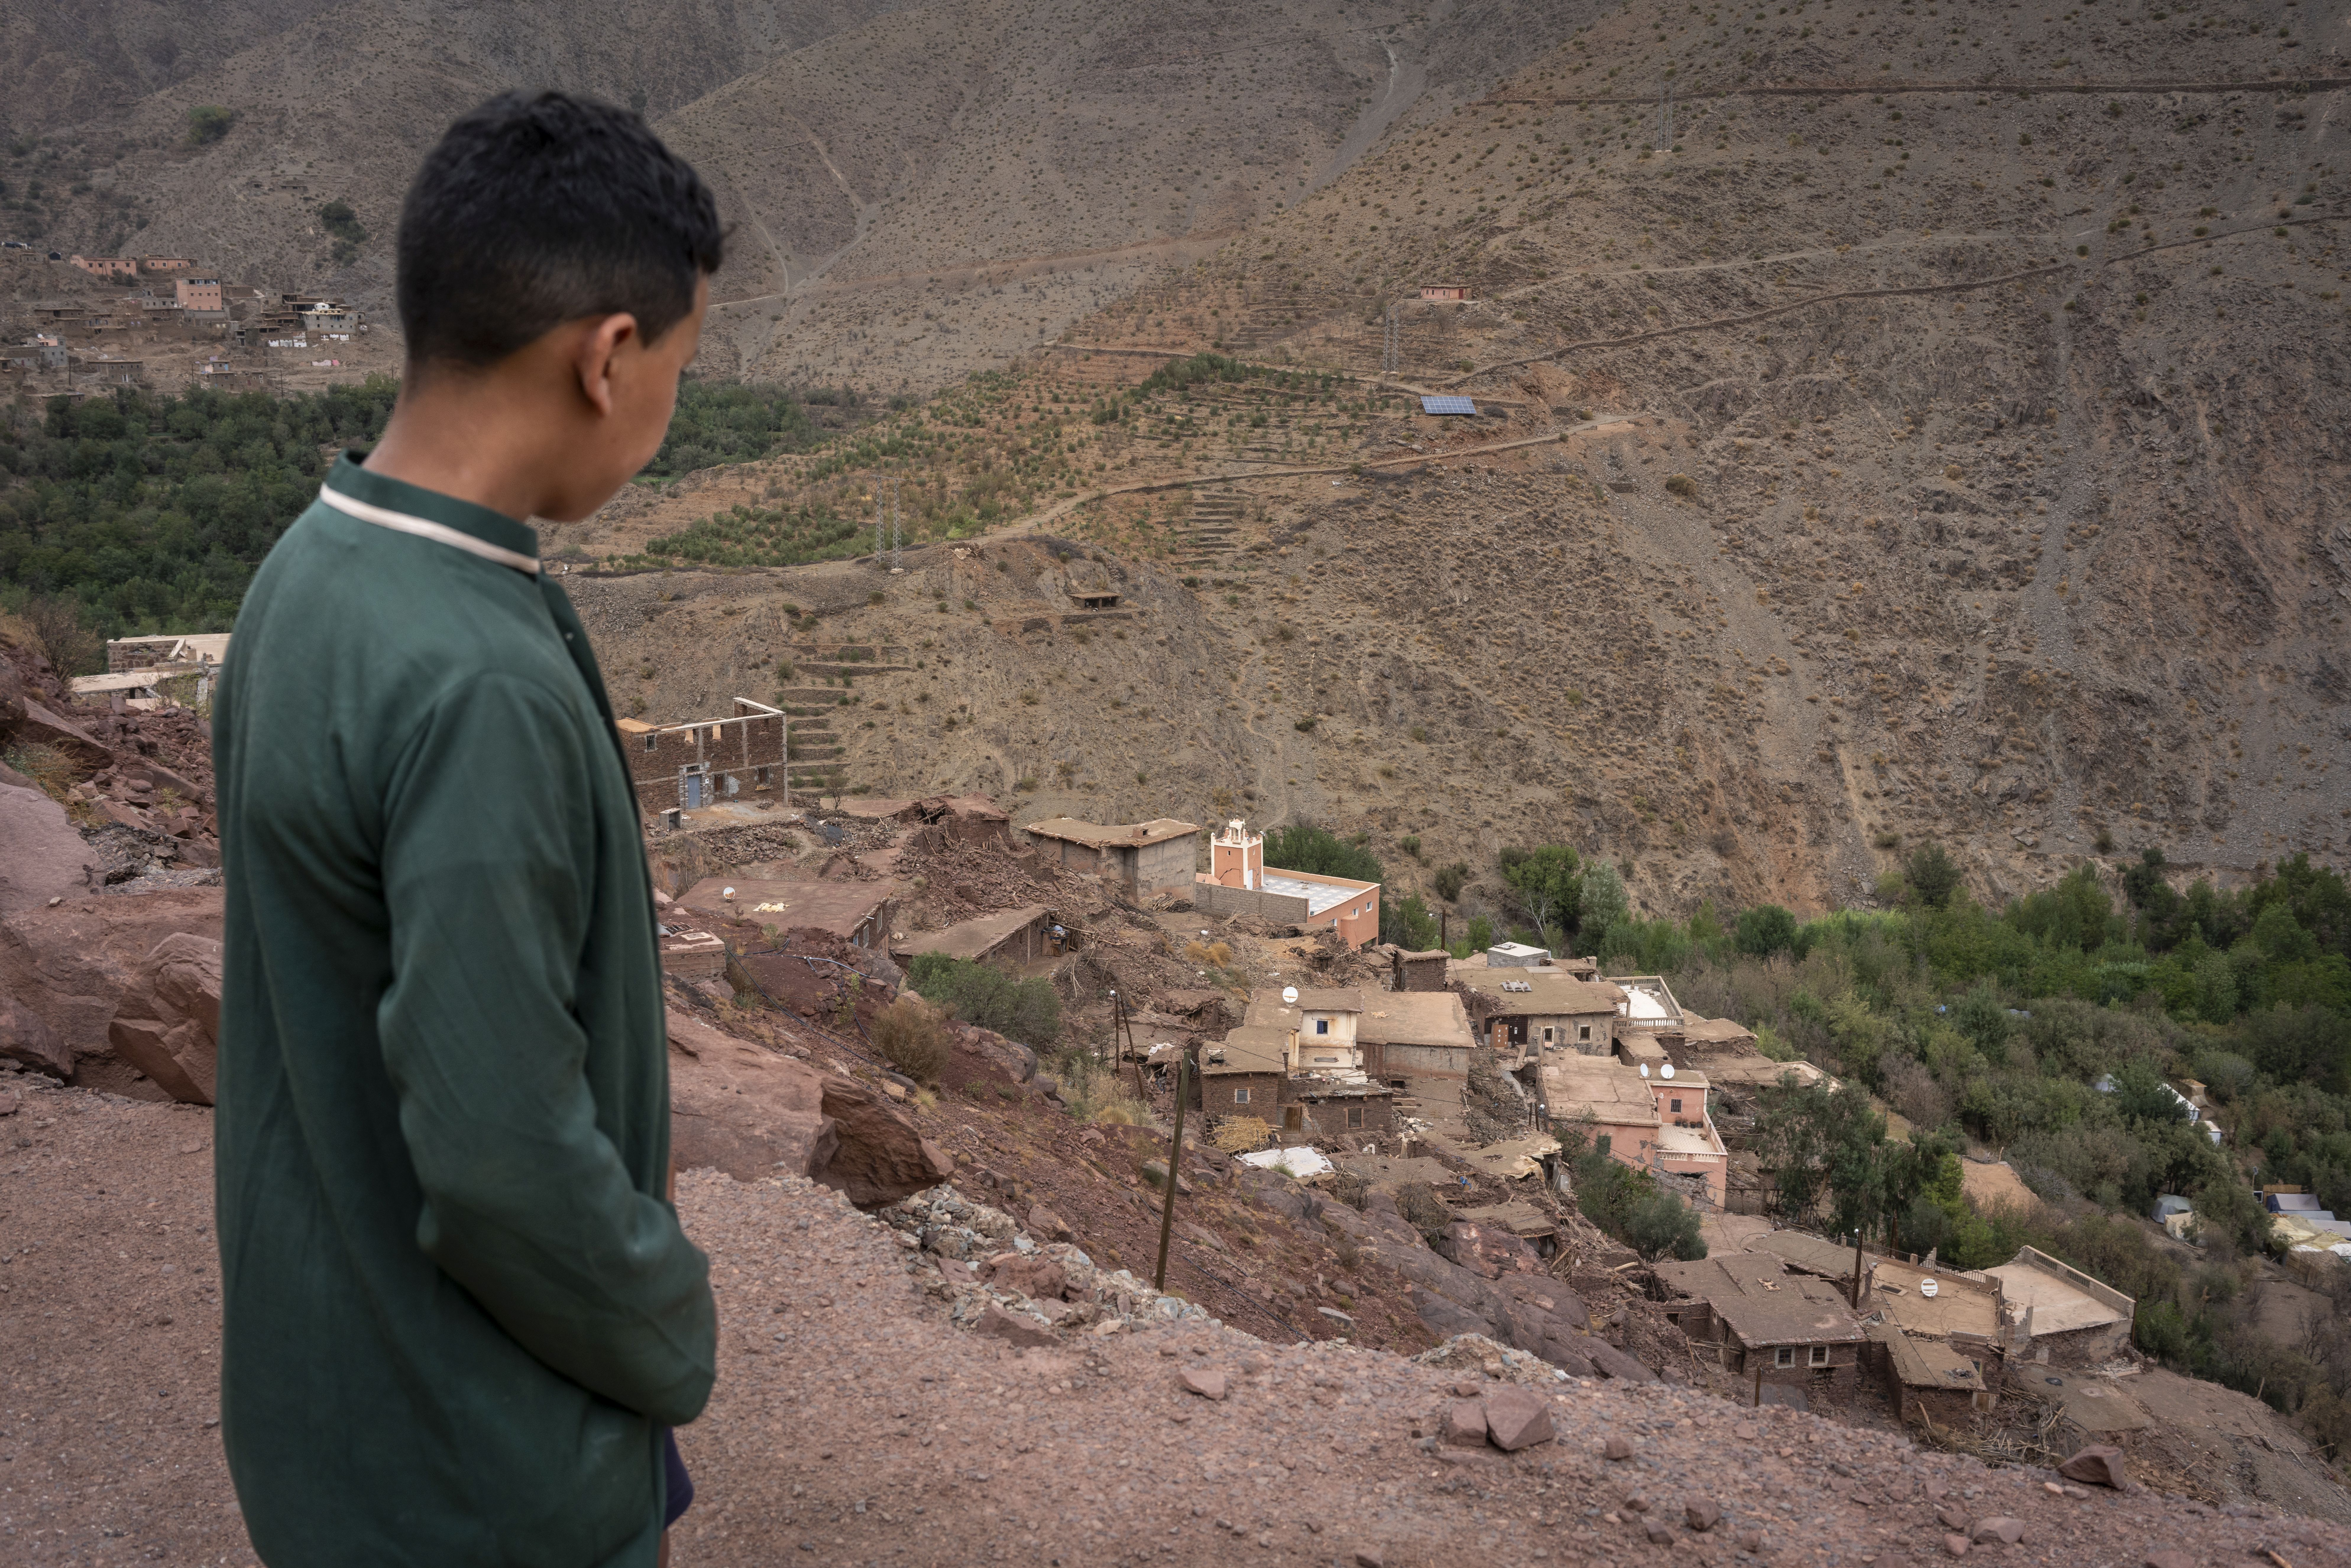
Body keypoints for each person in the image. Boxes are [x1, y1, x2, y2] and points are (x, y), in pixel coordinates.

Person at [210, 91, 723, 1567]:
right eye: (679, 367)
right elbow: (501, 1154)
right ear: (607, 358)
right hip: (479, 1476)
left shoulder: (305, 575)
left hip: (332, 1419)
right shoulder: (479, 681)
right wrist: (667, 1321)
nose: (669, 412)